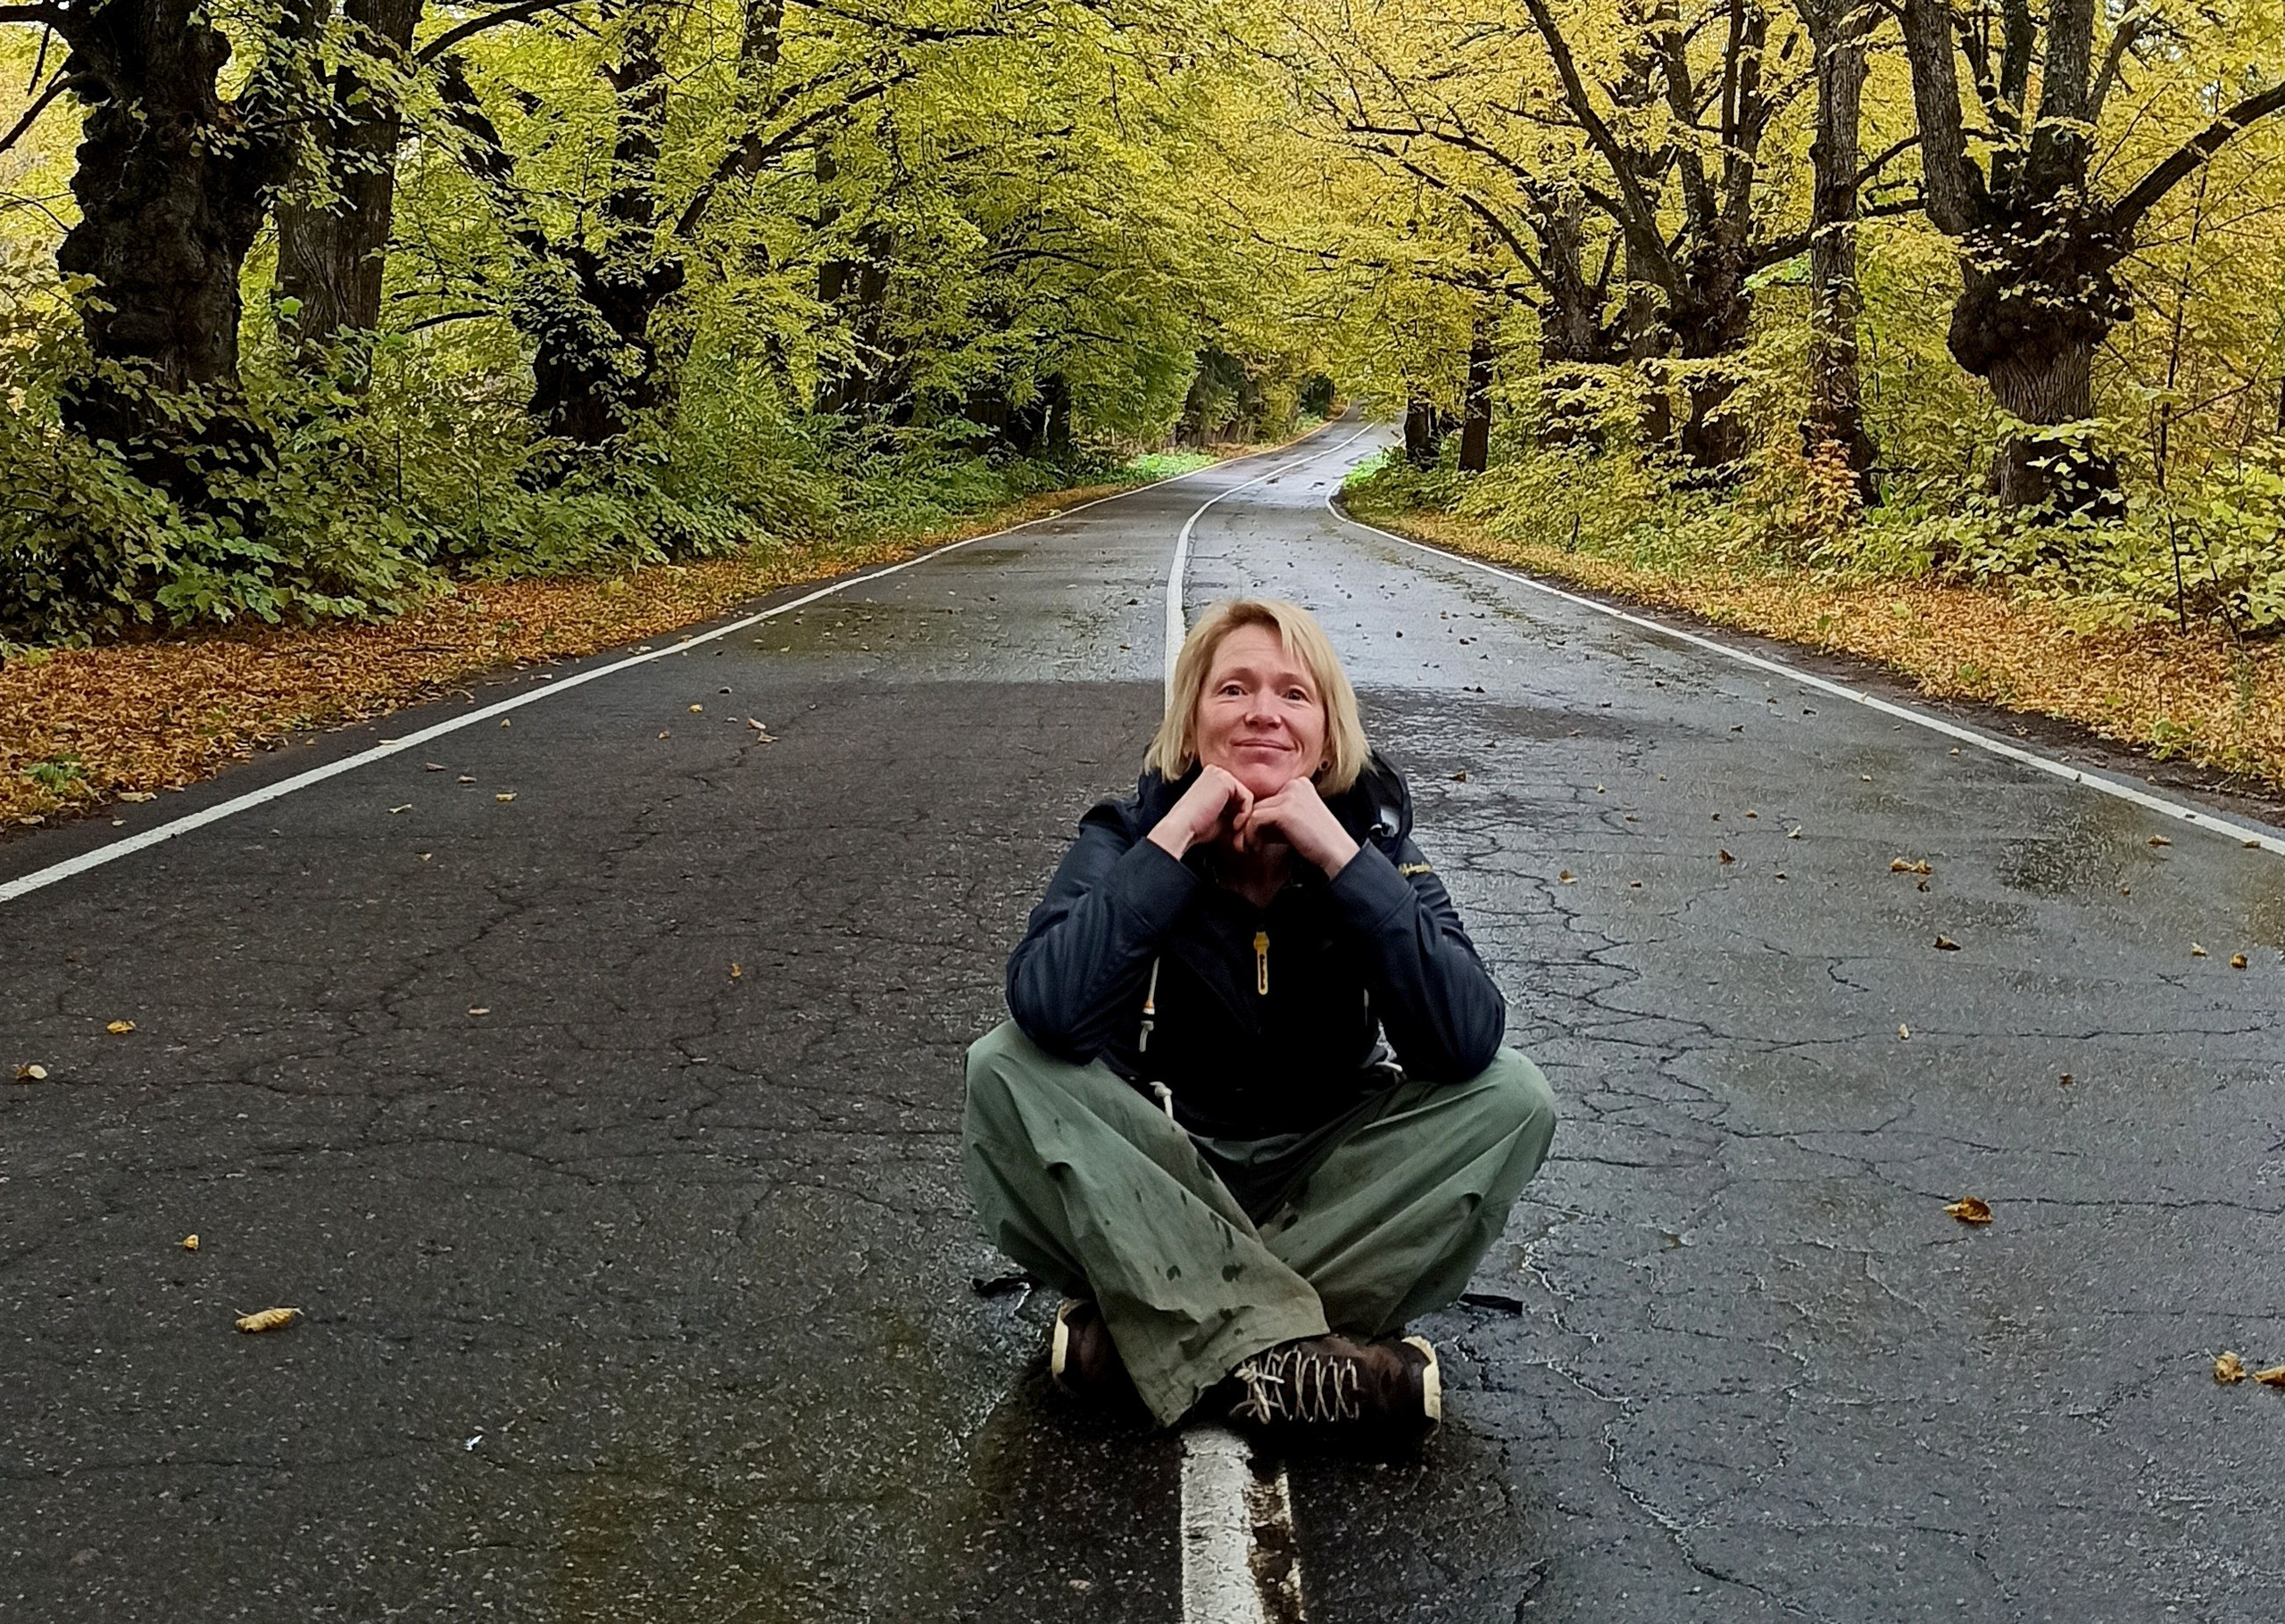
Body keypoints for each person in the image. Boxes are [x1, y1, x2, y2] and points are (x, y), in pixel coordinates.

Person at [962, 598, 1558, 1438]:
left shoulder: (1373, 844)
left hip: (1324, 1174)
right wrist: (1173, 844)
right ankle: (1305, 1366)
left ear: (1326, 730)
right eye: (1233, 689)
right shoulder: (1129, 833)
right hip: (1158, 1165)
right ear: (1193, 721)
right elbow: (1049, 1013)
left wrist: (1344, 863)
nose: (1263, 714)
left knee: (1514, 1098)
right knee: (1002, 1068)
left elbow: (1464, 1040)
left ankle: (1155, 1336)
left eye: (1293, 694)